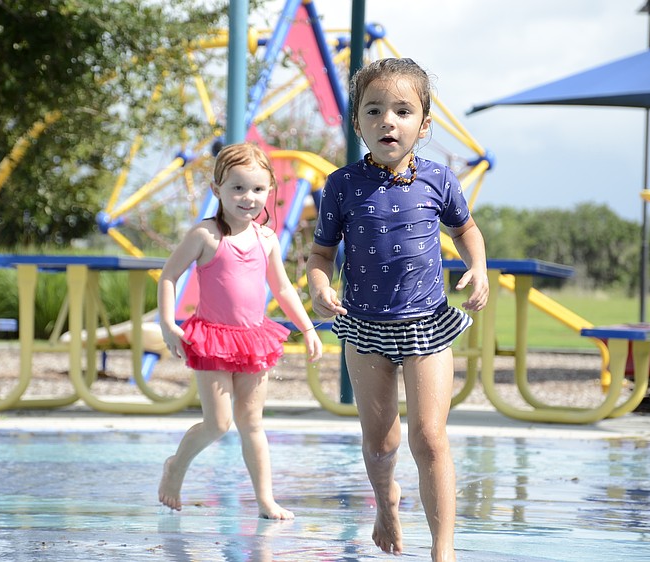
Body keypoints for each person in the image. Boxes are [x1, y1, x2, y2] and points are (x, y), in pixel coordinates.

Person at [307, 58, 489, 560]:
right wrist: (319, 286)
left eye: (403, 110)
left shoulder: (439, 179)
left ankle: (443, 549)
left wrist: (477, 265)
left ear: (424, 125)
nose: (389, 120)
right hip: (364, 328)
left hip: (427, 324)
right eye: (375, 109)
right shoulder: (341, 186)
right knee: (381, 443)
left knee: (429, 437)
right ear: (358, 122)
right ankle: (387, 504)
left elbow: (466, 229)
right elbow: (321, 254)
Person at [158, 142, 322, 520]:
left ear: (269, 192)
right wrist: (168, 324)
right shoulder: (205, 235)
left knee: (252, 422)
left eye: (258, 189)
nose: (248, 198)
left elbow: (281, 289)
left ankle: (265, 500)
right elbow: (169, 276)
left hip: (252, 339)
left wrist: (308, 328)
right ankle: (175, 467)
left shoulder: (266, 239)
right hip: (212, 338)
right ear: (217, 190)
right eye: (237, 188)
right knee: (218, 423)